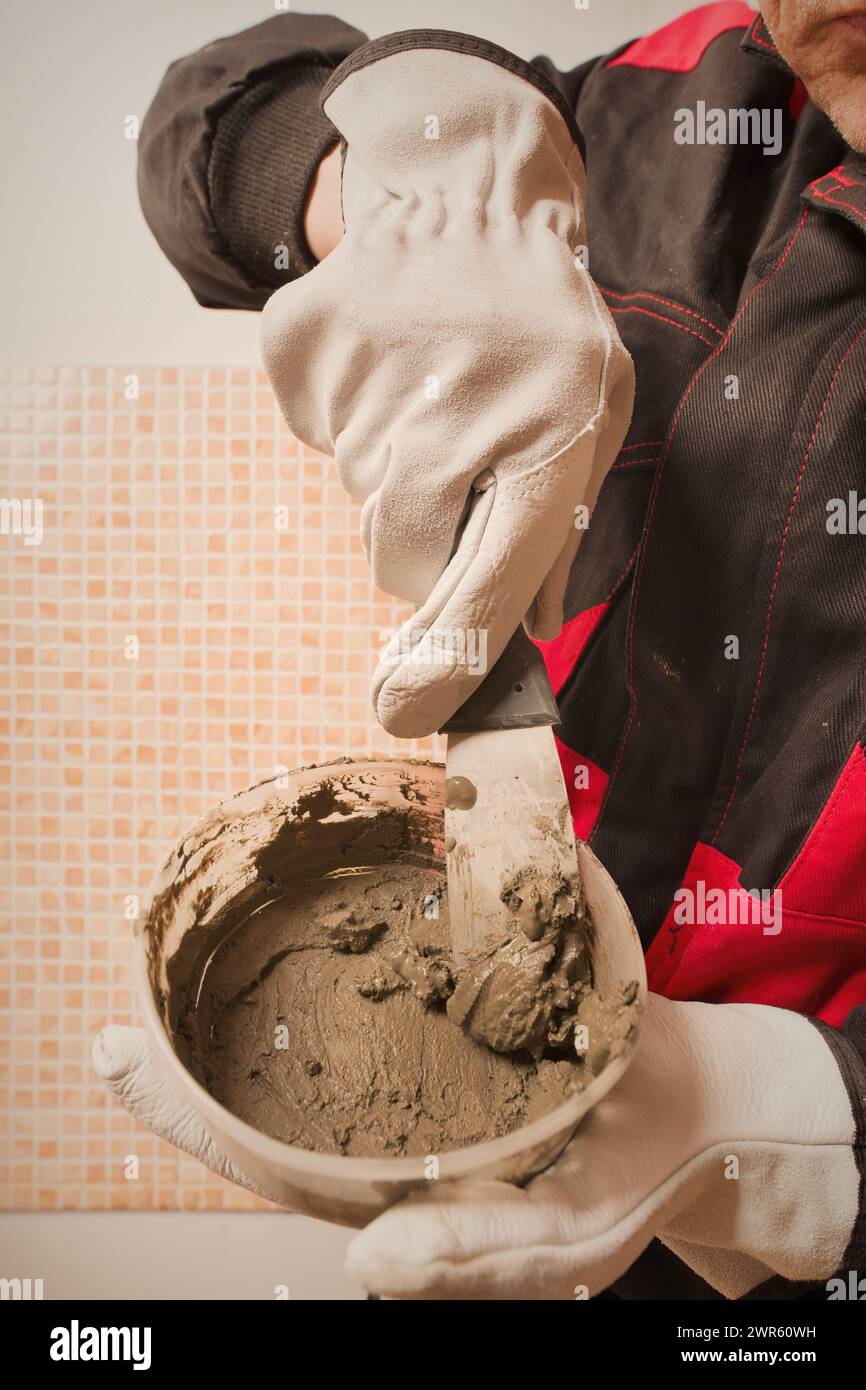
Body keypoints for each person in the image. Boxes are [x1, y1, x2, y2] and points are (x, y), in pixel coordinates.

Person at [95, 2, 866, 1300]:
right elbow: (200, 124)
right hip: (499, 1161)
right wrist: (366, 171)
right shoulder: (682, 101)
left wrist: (786, 1119)